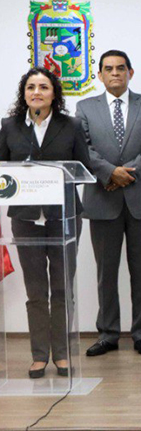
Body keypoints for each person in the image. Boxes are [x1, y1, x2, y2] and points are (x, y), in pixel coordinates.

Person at [0, 67, 90, 377]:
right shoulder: (9, 126)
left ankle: (62, 354)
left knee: (62, 288)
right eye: (31, 87)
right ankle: (39, 355)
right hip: (25, 218)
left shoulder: (71, 126)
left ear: (54, 94)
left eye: (43, 87)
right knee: (36, 290)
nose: (36, 92)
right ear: (23, 93)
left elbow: (84, 167)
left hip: (64, 216)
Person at [77, 50, 141, 357]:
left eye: (120, 68)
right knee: (106, 273)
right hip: (102, 198)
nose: (114, 73)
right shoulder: (85, 107)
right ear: (100, 75)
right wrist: (110, 172)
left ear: (130, 72)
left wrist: (128, 173)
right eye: (108, 69)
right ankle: (108, 334)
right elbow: (84, 148)